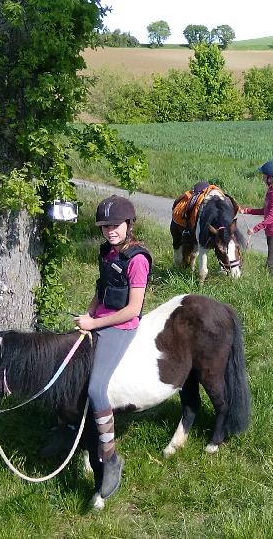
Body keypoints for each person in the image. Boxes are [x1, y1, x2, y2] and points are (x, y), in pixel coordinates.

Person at [74, 195, 151, 498]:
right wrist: (89, 313)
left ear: (129, 225)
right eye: (105, 227)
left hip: (119, 326)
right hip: (100, 319)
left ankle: (110, 457)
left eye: (115, 225)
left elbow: (133, 309)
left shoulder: (137, 259)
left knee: (95, 389)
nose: (110, 231)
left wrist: (96, 325)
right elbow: (101, 287)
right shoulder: (106, 251)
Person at [240, 160, 273, 278]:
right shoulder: (272, 190)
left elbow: (272, 217)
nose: (263, 178)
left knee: (271, 262)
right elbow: (265, 211)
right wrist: (247, 210)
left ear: (270, 178)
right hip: (271, 231)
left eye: (264, 176)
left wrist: (255, 229)